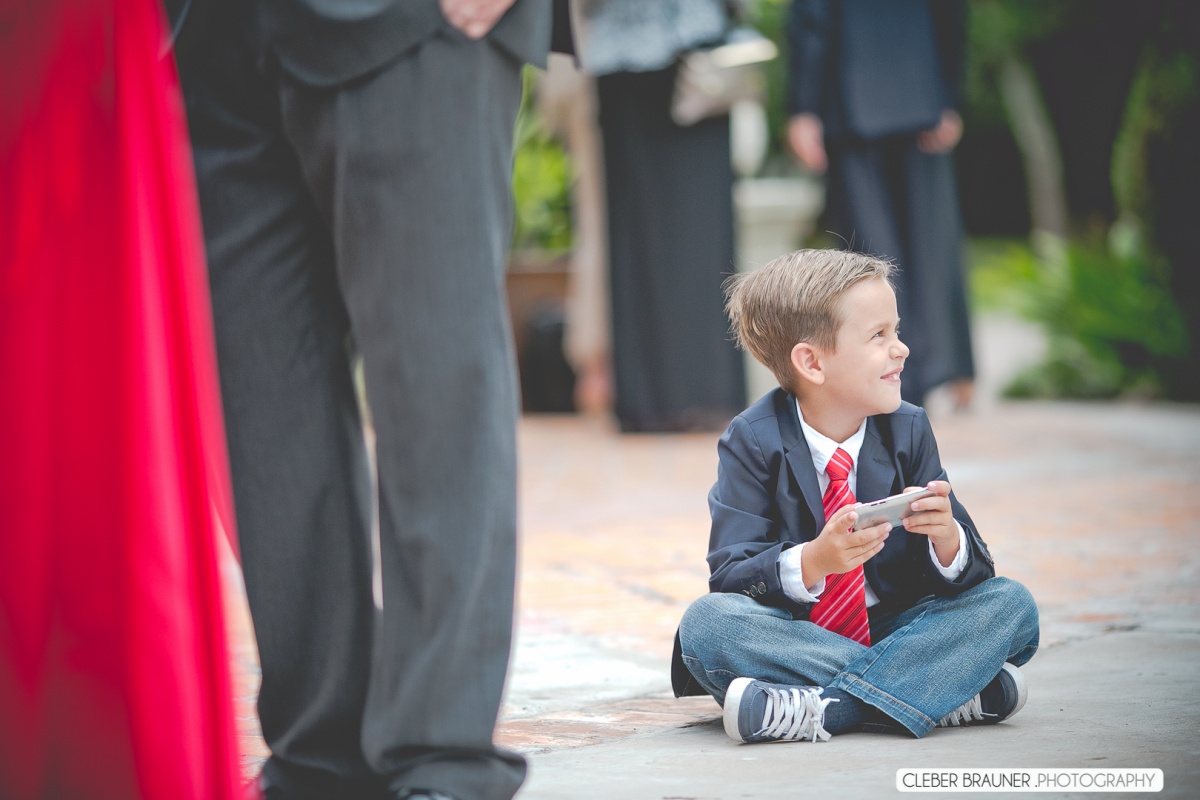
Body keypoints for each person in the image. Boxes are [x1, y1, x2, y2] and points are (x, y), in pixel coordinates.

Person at [171, 1, 555, 798]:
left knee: (435, 390)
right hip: (194, 38)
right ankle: (318, 753)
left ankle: (439, 757)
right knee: (261, 414)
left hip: (419, 21)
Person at [670, 249, 1039, 743]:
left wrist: (947, 538)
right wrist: (814, 561)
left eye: (897, 330)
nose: (901, 348)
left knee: (1011, 605)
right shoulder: (752, 440)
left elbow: (972, 576)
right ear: (812, 362)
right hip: (795, 635)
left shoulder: (907, 428)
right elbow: (732, 574)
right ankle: (941, 692)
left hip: (896, 625)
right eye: (878, 335)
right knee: (707, 625)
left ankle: (826, 710)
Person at [786, 0, 976, 409]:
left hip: (852, 93)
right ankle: (928, 374)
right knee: (927, 246)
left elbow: (811, 16)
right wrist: (949, 93)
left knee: (869, 254)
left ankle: (892, 380)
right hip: (919, 89)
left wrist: (803, 105)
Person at [580, 0, 747, 432]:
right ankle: (657, 397)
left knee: (692, 231)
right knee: (643, 232)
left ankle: (691, 394)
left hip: (695, 59)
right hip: (632, 51)